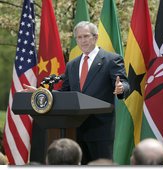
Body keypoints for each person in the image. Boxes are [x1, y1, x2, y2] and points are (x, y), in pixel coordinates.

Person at [23, 21, 129, 165]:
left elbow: (124, 82)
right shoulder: (72, 64)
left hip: (99, 129)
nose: (83, 40)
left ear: (95, 37)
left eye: (86, 36)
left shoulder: (111, 60)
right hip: (74, 129)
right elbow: (64, 93)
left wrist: (121, 88)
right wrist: (42, 93)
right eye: (79, 37)